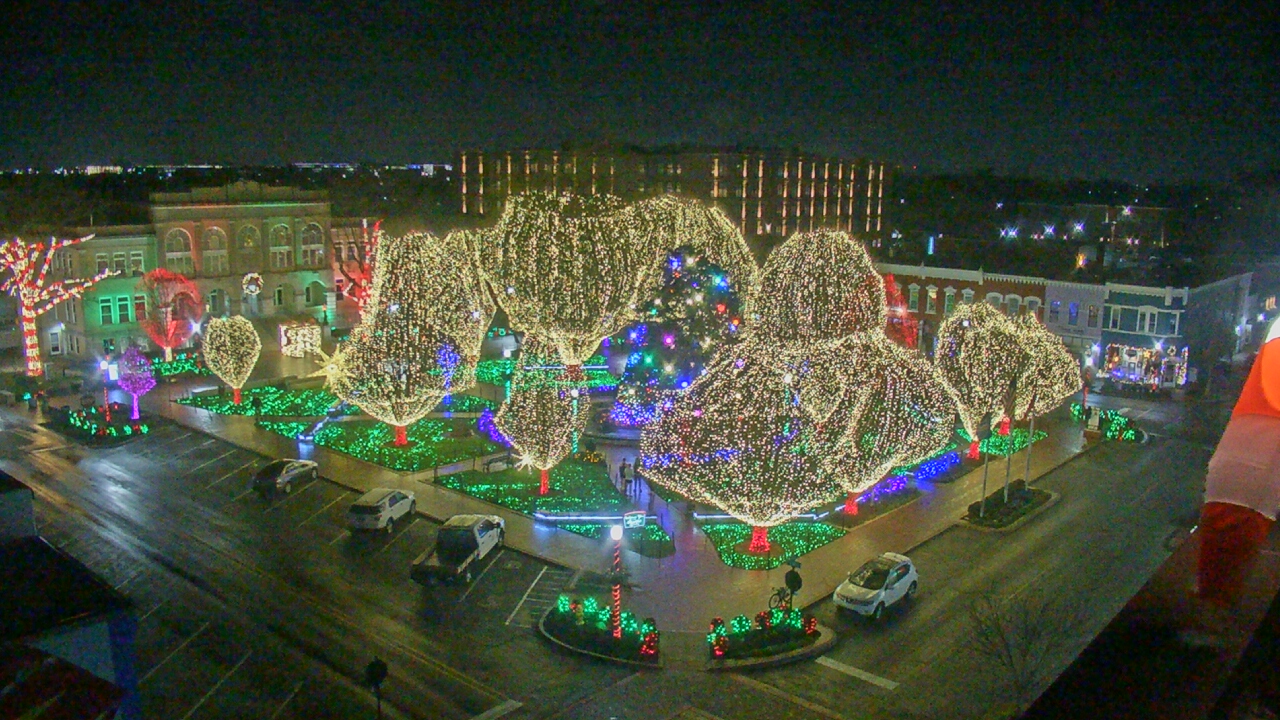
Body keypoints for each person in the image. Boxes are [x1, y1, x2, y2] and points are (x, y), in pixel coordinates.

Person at [1185, 319, 1280, 645]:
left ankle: (1214, 617)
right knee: (1229, 525)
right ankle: (1215, 612)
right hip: (1249, 465)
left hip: (1250, 463)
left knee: (1230, 525)